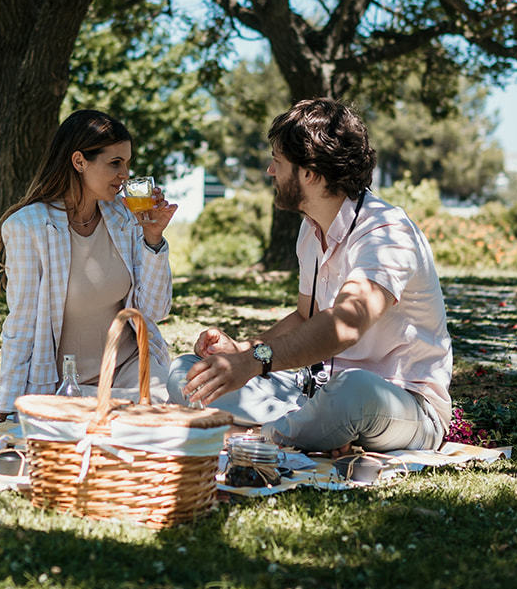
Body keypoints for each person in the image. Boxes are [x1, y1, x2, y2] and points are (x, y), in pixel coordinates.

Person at [167, 98, 452, 453]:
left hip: (398, 403)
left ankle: (256, 438)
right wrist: (242, 352)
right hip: (312, 391)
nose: (271, 171)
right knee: (188, 371)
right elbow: (307, 316)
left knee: (353, 391)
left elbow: (346, 324)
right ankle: (308, 431)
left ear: (310, 174)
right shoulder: (311, 227)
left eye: (278, 161)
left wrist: (254, 362)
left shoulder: (385, 232)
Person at [0, 108, 177, 418]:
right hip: (66, 387)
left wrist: (153, 238)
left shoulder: (125, 217)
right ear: (79, 161)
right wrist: (1, 410)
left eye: (128, 164)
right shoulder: (28, 227)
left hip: (131, 375)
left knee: (165, 426)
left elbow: (154, 311)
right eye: (115, 163)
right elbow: (21, 326)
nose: (125, 176)